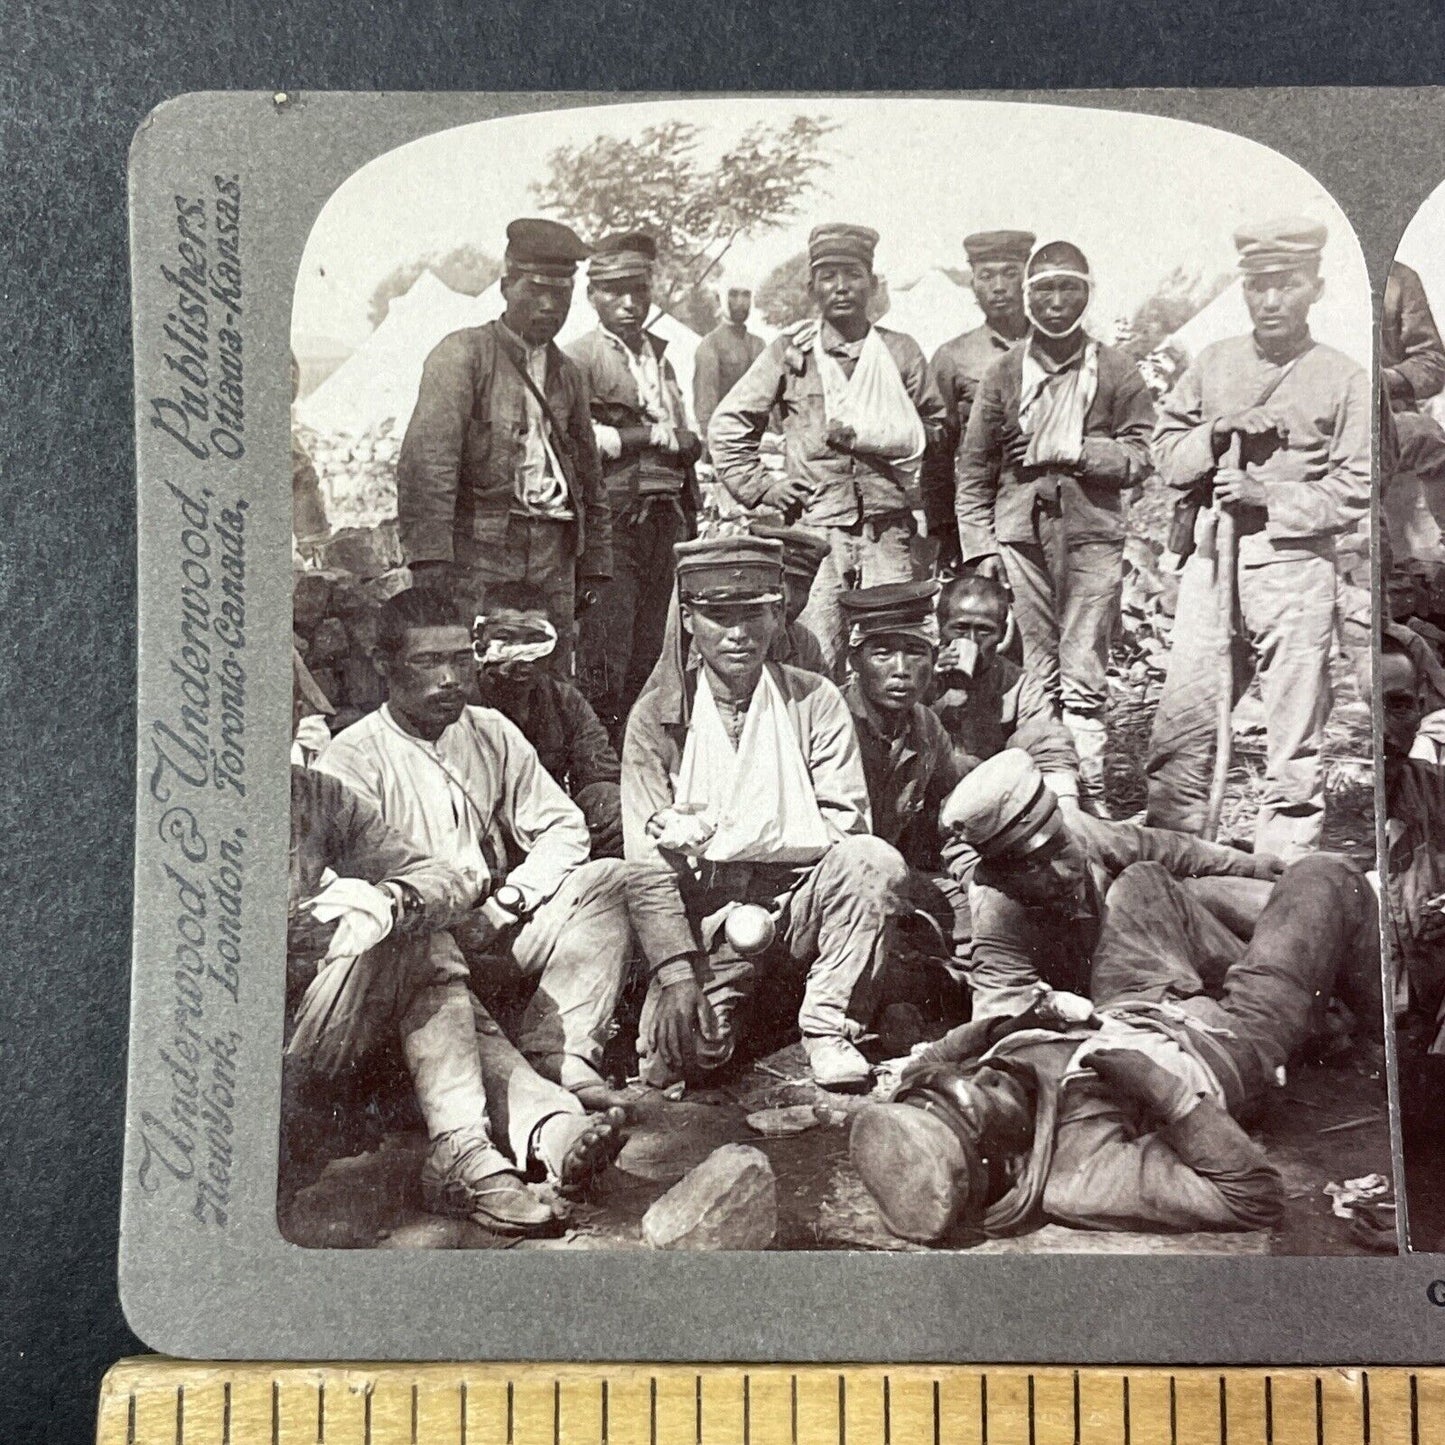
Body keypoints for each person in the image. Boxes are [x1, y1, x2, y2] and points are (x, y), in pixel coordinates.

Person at [849, 847, 1377, 1244]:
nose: (986, 1074)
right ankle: (1376, 1013)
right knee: (1326, 876)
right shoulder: (1079, 1178)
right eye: (985, 1096)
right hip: (1230, 1040)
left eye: (968, 1080)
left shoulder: (956, 1095)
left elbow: (932, 1061)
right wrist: (1161, 1091)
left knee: (1142, 883)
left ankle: (1308, 974)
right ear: (1001, 1161)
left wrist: (1009, 1025)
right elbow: (1251, 1197)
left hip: (1131, 1003)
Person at [313, 587, 633, 1114]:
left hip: (493, 925)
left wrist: (507, 905)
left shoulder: (489, 730)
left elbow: (563, 827)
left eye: (461, 660)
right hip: (414, 953)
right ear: (383, 666)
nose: (450, 680)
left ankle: (562, 1052)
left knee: (610, 880)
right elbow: (348, 899)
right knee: (412, 952)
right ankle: (529, 1115)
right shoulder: (351, 760)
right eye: (428, 662)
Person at [621, 535, 909, 1091]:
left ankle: (828, 1024)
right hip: (710, 916)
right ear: (688, 620)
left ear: (778, 615)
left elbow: (843, 828)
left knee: (871, 859)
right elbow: (648, 868)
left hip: (800, 903)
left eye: (755, 615)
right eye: (718, 616)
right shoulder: (656, 720)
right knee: (677, 1060)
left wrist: (729, 838)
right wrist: (678, 975)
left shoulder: (813, 700)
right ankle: (755, 1004)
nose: (738, 634)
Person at [286, 765, 622, 1237]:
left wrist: (390, 901)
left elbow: (432, 875)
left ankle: (540, 1131)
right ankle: (489, 1142)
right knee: (425, 953)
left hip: (346, 1015)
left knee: (420, 941)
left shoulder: (314, 792)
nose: (451, 686)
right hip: (259, 1073)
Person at [1142, 218, 1370, 857]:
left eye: (1286, 286)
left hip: (1295, 569)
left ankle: (1278, 874)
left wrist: (1269, 496)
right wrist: (1218, 431)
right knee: (1183, 727)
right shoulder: (1213, 363)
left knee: (1293, 739)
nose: (1270, 301)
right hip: (1213, 561)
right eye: (1257, 287)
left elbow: (1358, 485)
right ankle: (1172, 859)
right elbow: (1165, 456)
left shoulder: (1344, 377)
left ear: (1315, 288)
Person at [954, 240, 1155, 813]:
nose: (1057, 302)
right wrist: (981, 549)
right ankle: (1043, 797)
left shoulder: (1114, 369)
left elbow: (1142, 452)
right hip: (1020, 535)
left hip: (1092, 533)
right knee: (1034, 667)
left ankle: (1087, 796)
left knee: (1083, 663)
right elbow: (975, 468)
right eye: (1044, 290)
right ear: (1028, 297)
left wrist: (1079, 451)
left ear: (1087, 295)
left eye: (1070, 288)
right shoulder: (1004, 371)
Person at [709, 223, 948, 673]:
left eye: (853, 275)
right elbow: (727, 425)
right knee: (813, 657)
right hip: (815, 535)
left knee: (891, 657)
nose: (841, 288)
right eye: (828, 276)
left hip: (887, 533)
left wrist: (879, 434)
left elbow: (935, 430)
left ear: (872, 284)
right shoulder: (791, 353)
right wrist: (762, 487)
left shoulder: (899, 352)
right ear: (812, 286)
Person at [396, 218, 611, 675]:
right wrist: (431, 561)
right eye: (535, 289)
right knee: (477, 675)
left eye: (562, 293)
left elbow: (589, 476)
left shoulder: (568, 373)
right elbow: (428, 463)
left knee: (549, 679)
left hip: (555, 549)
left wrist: (594, 565)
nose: (550, 305)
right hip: (483, 551)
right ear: (506, 286)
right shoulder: (463, 355)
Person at [937, 750, 1282, 1021]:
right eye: (1030, 867)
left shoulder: (1078, 828)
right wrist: (1049, 1008)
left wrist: (1251, 864)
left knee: (1206, 891)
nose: (1058, 871)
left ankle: (1282, 965)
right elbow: (1000, 1013)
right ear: (1004, 873)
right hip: (1121, 995)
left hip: (1159, 945)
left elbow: (1169, 848)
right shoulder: (996, 905)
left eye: (1059, 849)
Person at [566, 232, 702, 735]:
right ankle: (601, 765)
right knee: (606, 652)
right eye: (615, 291)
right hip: (613, 525)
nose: (630, 303)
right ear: (592, 295)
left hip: (667, 521)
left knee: (656, 647)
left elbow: (684, 432)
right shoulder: (577, 359)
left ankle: (641, 756)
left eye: (639, 291)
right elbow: (574, 439)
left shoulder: (660, 358)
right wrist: (644, 435)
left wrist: (683, 442)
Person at [837, 581, 970, 993]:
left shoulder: (926, 727)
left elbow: (952, 817)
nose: (900, 669)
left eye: (915, 652)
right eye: (882, 653)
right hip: (836, 886)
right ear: (855, 660)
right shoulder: (832, 721)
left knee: (973, 911)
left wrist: (970, 874)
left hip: (898, 879)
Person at [472, 581, 623, 859]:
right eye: (505, 639)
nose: (521, 655)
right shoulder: (464, 704)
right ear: (481, 642)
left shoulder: (565, 701)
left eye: (533, 641)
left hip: (551, 824)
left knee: (614, 808)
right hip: (483, 825)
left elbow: (599, 773)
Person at [925, 230, 1035, 572]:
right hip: (983, 519)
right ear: (973, 285)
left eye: (1010, 273)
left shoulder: (1057, 347)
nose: (999, 286)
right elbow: (938, 452)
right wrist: (944, 530)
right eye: (986, 276)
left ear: (1028, 279)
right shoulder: (953, 357)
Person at [930, 571, 1078, 798]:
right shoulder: (917, 671)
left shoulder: (1018, 684)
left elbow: (1049, 745)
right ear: (941, 628)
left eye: (984, 630)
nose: (971, 641)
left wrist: (1064, 801)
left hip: (990, 799)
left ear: (1001, 634)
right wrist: (927, 684)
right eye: (960, 628)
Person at [748, 522, 831, 674]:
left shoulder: (803, 642)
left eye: (801, 587)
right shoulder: (726, 637)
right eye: (779, 585)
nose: (789, 600)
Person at [693, 285, 766, 448]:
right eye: (733, 295)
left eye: (746, 295)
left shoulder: (759, 345)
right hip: (726, 443)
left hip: (760, 442)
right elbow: (705, 406)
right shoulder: (710, 345)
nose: (740, 302)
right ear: (720, 299)